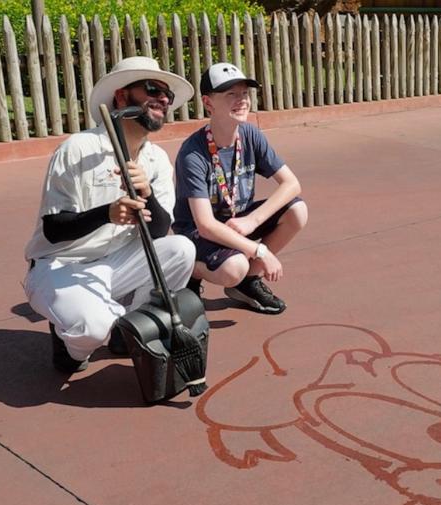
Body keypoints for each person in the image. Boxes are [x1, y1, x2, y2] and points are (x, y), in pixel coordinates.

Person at [23, 56, 196, 373]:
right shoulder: (78, 148)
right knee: (91, 329)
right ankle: (71, 348)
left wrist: (148, 195)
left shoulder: (157, 159)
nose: (163, 99)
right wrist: (108, 213)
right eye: (151, 89)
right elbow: (53, 230)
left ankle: (129, 326)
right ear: (121, 96)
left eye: (167, 95)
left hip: (116, 259)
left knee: (182, 249)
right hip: (62, 264)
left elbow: (159, 230)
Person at [173, 63, 308, 315]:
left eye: (244, 93)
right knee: (233, 268)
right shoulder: (193, 153)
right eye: (230, 94)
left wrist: (252, 220)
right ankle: (190, 271)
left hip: (238, 220)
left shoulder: (249, 135)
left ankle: (247, 283)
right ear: (208, 102)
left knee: (297, 210)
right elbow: (204, 224)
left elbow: (291, 184)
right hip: (198, 234)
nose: (242, 100)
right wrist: (259, 250)